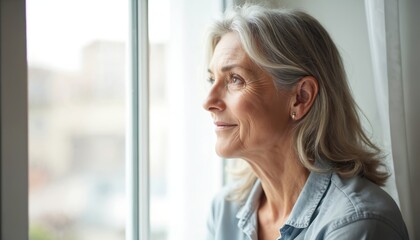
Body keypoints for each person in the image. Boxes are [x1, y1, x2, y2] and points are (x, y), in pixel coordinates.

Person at [202, 4, 409, 240]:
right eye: (212, 79)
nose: (208, 101)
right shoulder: (224, 211)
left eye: (235, 79)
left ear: (301, 98)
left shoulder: (358, 223)